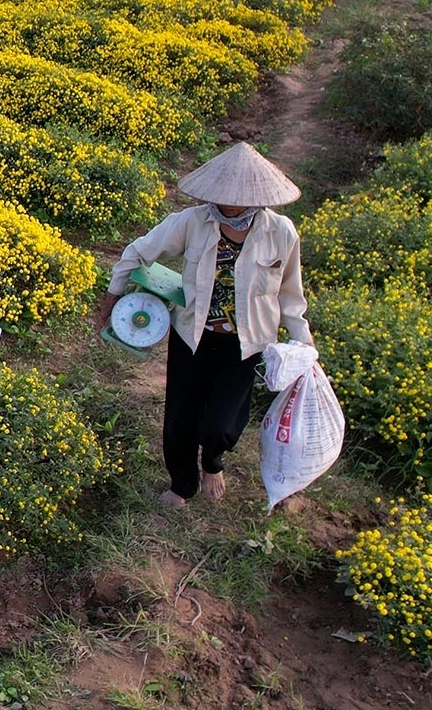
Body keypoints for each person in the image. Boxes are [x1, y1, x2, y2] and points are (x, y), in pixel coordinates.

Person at [98, 144, 312, 507]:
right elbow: (138, 251)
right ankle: (182, 484)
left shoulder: (281, 233)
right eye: (222, 197)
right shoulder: (193, 222)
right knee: (181, 415)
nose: (229, 205)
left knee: (221, 422)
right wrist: (111, 298)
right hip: (192, 336)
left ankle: (213, 460)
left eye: (238, 199)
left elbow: (291, 297)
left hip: (247, 343)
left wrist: (304, 346)